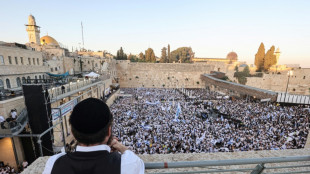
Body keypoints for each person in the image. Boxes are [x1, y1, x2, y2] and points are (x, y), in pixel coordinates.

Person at [43, 98, 144, 174]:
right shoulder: (127, 164)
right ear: (109, 132)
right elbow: (135, 161)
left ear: (73, 134)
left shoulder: (54, 164)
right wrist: (120, 147)